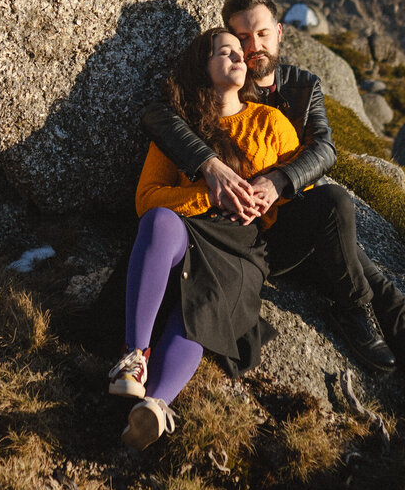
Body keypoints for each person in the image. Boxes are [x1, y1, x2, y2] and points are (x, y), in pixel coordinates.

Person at [142, 0, 405, 398]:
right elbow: (157, 115)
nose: (253, 47)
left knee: (376, 282)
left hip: (290, 217)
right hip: (239, 235)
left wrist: (278, 181)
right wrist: (208, 163)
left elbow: (324, 149)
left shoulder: (303, 86)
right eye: (242, 38)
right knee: (358, 267)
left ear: (278, 33)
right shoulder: (219, 87)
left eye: (261, 34)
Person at [110, 26, 299, 451]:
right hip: (189, 223)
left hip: (241, 242)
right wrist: (206, 189)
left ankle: (155, 407)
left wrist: (265, 196)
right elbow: (147, 199)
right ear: (203, 67)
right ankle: (134, 357)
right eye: (224, 52)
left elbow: (295, 192)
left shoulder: (271, 123)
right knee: (159, 221)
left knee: (206, 304)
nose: (237, 58)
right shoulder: (181, 129)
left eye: (240, 53)